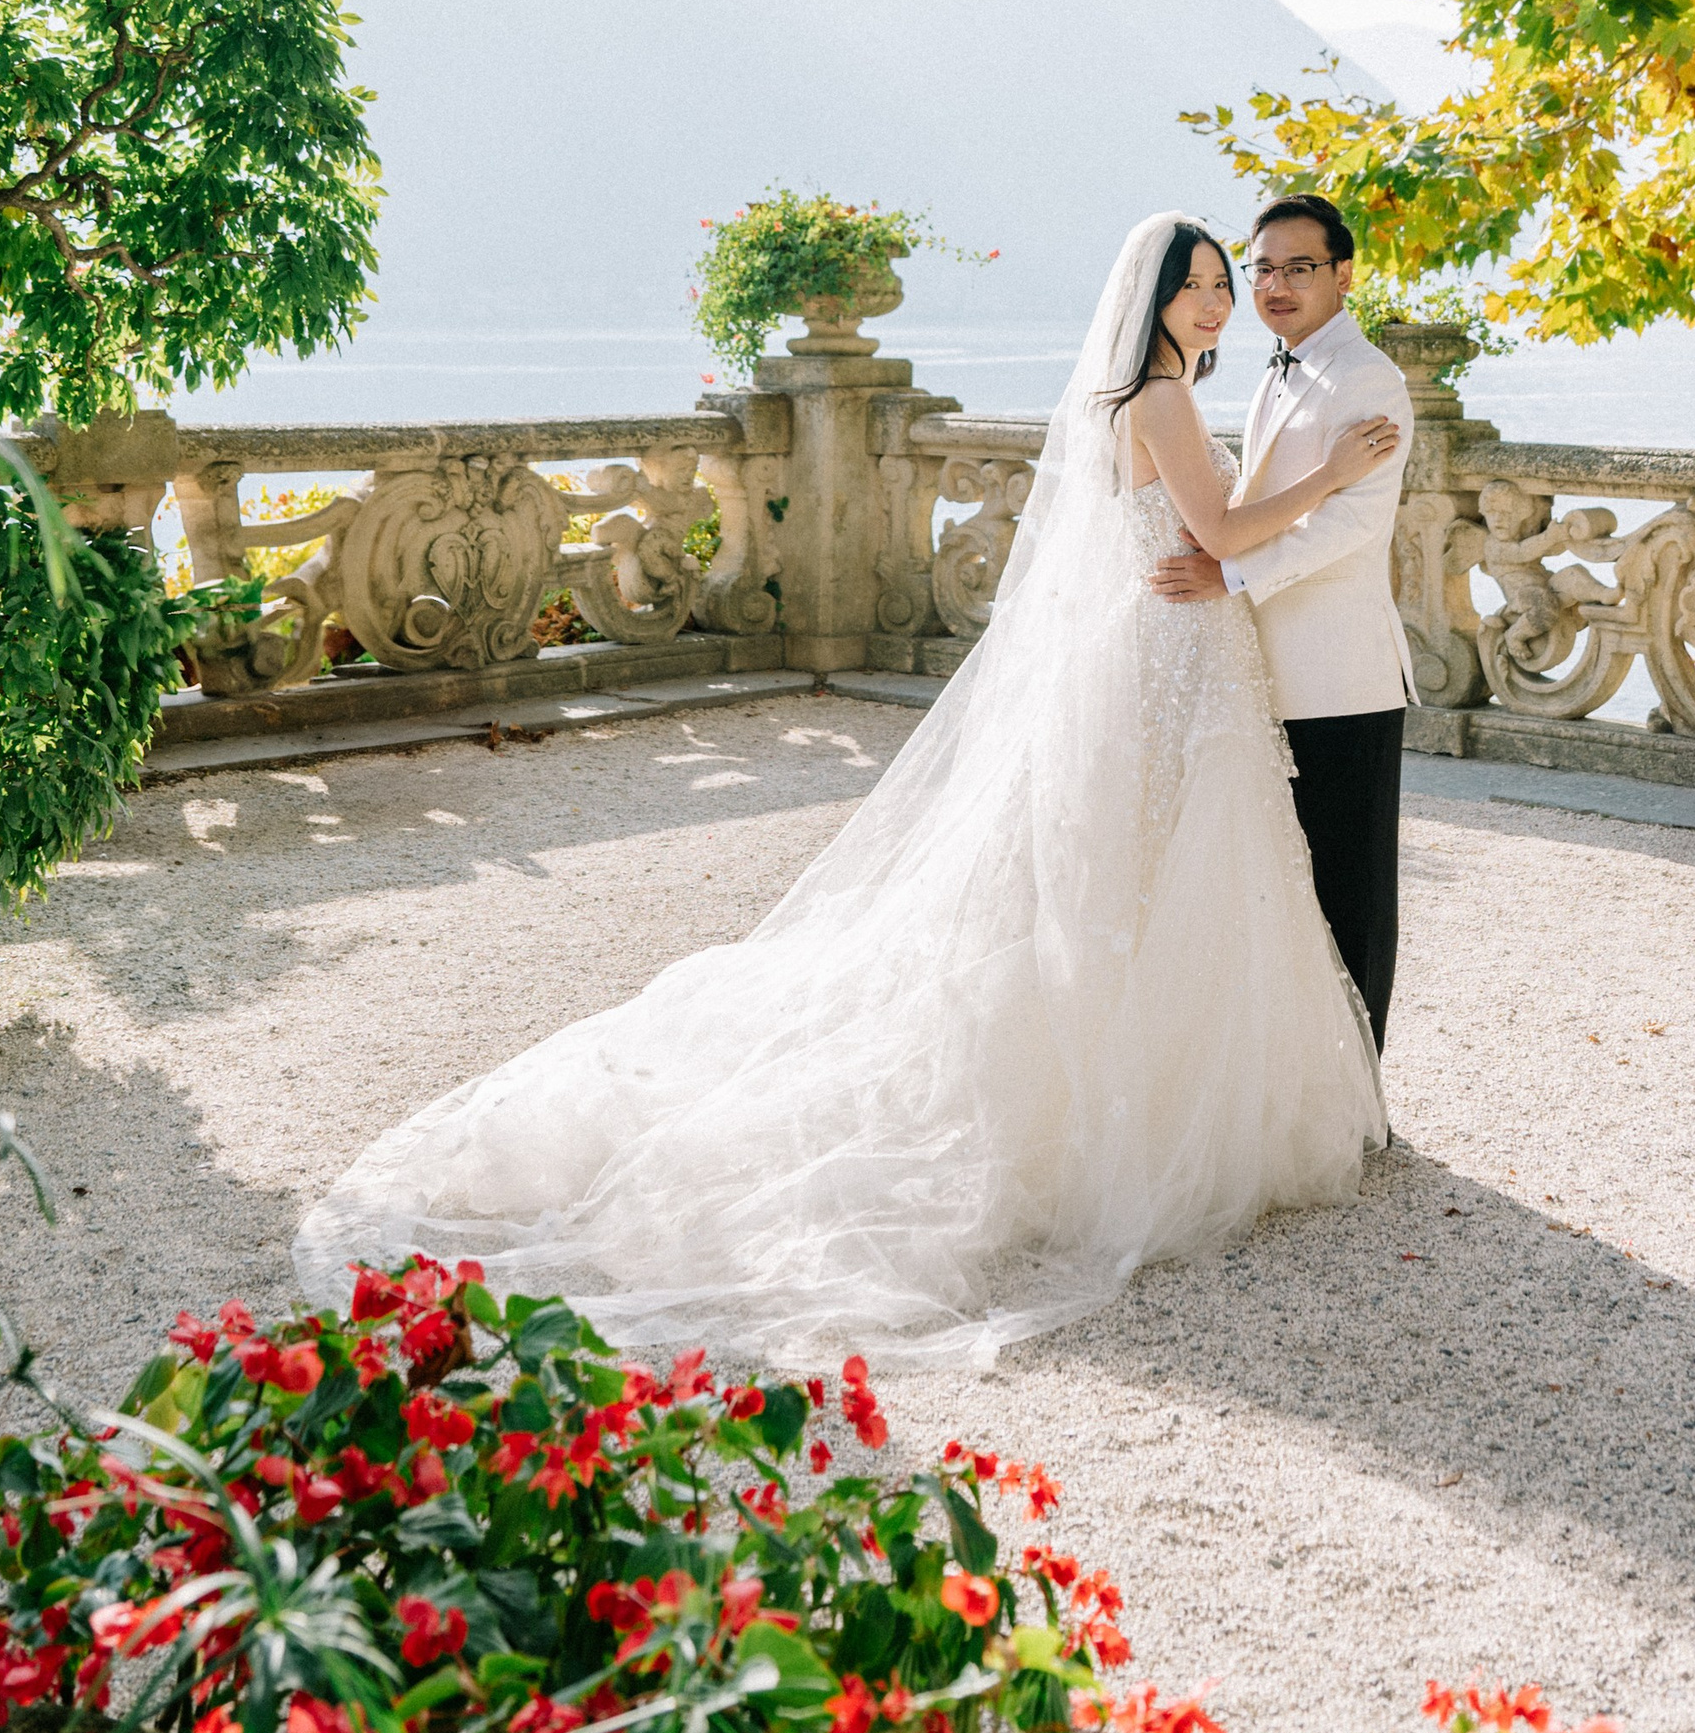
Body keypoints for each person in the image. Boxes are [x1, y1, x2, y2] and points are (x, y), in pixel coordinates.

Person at [292, 214, 1392, 1365]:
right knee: (1165, 865)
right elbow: (1218, 530)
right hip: (1170, 653)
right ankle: (1146, 1110)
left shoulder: (1139, 397)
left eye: (1224, 284)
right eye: (1198, 285)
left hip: (1156, 649)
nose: (1217, 302)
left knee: (1137, 867)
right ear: (1151, 298)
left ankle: (1130, 1088)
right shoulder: (1160, 400)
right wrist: (1333, 474)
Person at [1149, 195, 1417, 1048]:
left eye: (1299, 267)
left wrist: (1227, 574)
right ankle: (1298, 1077)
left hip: (1339, 676)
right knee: (1282, 894)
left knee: (1350, 894)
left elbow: (1352, 525)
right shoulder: (1278, 367)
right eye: (1262, 268)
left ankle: (1359, 1084)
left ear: (1344, 275)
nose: (1275, 285)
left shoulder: (1369, 378)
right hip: (1263, 670)